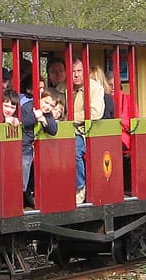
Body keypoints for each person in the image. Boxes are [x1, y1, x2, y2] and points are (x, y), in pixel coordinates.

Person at [57, 58, 105, 204]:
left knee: (74, 151)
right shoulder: (61, 88)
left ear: (86, 73)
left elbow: (96, 112)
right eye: (73, 72)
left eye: (79, 71)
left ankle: (80, 187)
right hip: (60, 130)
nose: (76, 75)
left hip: (83, 132)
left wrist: (69, 119)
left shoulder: (95, 88)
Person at [20, 88, 60, 207]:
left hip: (32, 149)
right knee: (24, 169)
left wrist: (43, 119)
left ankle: (29, 195)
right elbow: (22, 123)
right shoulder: (27, 107)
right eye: (46, 102)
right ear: (39, 99)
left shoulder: (47, 113)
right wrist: (34, 116)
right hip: (23, 147)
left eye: (52, 105)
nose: (48, 107)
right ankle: (21, 196)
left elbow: (53, 130)